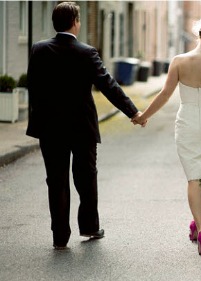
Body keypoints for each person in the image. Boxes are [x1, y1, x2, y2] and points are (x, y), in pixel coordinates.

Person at [26, 2, 146, 250]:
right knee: (86, 178)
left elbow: (34, 88)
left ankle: (59, 236)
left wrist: (39, 118)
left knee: (56, 181)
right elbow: (108, 85)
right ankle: (90, 227)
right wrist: (133, 112)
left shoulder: (38, 50)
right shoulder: (86, 52)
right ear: (75, 22)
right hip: (81, 127)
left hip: (50, 128)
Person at [133, 20, 201, 255]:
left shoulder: (179, 61)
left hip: (187, 121)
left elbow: (165, 93)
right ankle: (199, 225)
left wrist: (143, 116)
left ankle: (200, 228)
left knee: (193, 177)